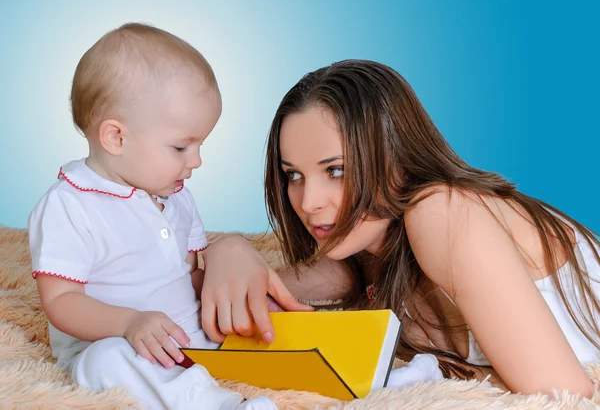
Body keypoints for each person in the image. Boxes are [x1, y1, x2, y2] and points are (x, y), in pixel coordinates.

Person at [200, 59, 600, 397]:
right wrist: (229, 249)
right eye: (293, 175)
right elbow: (271, 292)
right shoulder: (368, 248)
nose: (308, 202)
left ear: (398, 158)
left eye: (336, 170)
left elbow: (563, 395)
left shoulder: (441, 212)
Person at [27, 23, 284, 410]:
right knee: (106, 364)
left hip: (188, 332)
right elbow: (61, 300)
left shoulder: (176, 197)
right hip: (114, 342)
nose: (196, 161)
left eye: (200, 144)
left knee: (265, 334)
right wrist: (129, 324)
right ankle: (221, 405)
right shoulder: (70, 205)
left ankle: (375, 377)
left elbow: (188, 273)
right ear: (116, 137)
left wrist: (232, 300)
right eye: (181, 146)